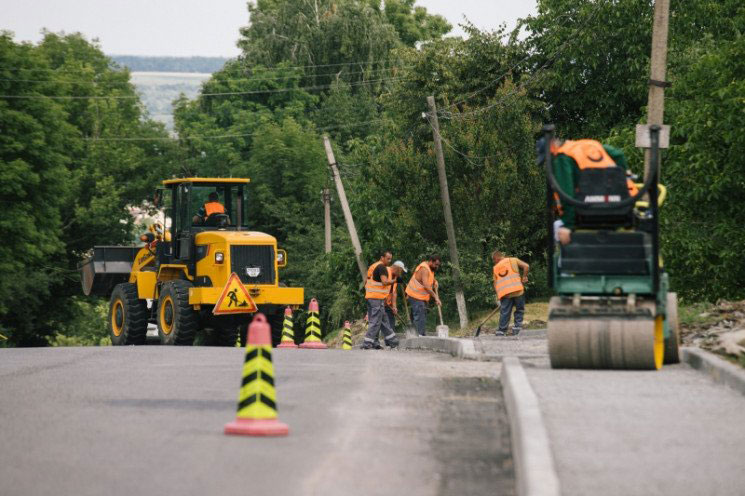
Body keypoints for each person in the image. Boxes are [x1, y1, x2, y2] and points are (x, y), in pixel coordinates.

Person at [536, 137, 637, 245]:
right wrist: (623, 180)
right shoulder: (591, 144)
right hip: (621, 208)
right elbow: (618, 154)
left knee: (556, 229)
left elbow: (566, 195)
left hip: (588, 214)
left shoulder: (561, 157)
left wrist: (568, 226)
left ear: (552, 148)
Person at [362, 251, 399, 349]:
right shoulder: (381, 267)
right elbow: (385, 282)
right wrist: (396, 280)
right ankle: (367, 343)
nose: (389, 261)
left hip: (371, 297)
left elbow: (366, 281)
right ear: (382, 257)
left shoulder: (374, 266)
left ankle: (392, 341)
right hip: (376, 298)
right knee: (376, 321)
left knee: (383, 320)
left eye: (391, 259)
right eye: (388, 258)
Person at [492, 250, 529, 336]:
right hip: (518, 291)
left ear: (496, 258)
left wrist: (498, 296)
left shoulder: (495, 268)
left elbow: (495, 284)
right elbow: (526, 266)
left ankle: (501, 331)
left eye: (493, 260)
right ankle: (517, 329)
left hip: (505, 294)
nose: (494, 262)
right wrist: (524, 277)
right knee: (519, 310)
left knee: (505, 312)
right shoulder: (513, 260)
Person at [405, 254, 442, 336]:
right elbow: (426, 286)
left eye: (438, 265)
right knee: (420, 315)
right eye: (436, 265)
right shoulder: (424, 269)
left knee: (420, 314)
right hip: (415, 295)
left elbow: (429, 277)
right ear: (431, 261)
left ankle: (415, 334)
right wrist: (436, 297)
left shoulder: (430, 268)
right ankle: (420, 336)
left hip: (420, 297)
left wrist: (435, 281)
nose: (437, 267)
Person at [384, 261, 408, 334]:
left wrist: (394, 307)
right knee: (381, 323)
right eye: (401, 271)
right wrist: (382, 299)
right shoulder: (385, 271)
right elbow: (381, 285)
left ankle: (391, 340)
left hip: (387, 303)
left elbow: (394, 293)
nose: (401, 273)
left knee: (391, 322)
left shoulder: (395, 277)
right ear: (397, 268)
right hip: (379, 302)